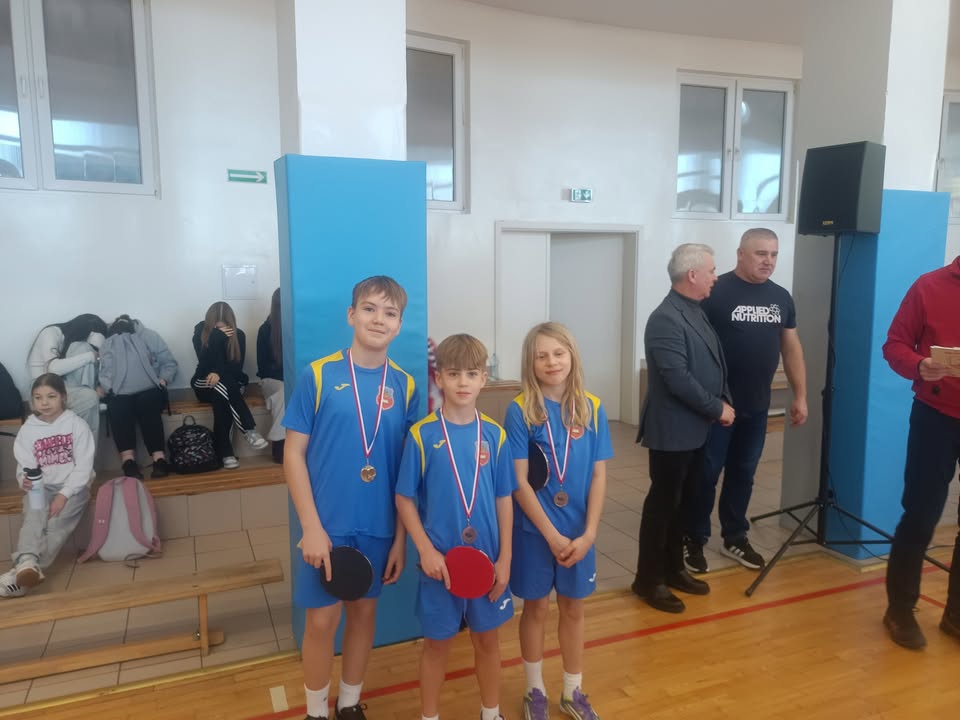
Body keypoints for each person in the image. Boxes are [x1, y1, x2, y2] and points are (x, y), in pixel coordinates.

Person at [283, 276, 419, 720]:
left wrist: (400, 539)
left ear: (399, 324)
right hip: (327, 525)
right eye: (369, 309)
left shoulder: (406, 386)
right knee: (322, 621)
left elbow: (406, 473)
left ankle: (348, 704)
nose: (379, 319)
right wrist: (311, 527)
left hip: (379, 526)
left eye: (390, 313)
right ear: (351, 315)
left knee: (364, 616)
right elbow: (293, 454)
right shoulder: (319, 375)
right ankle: (316, 712)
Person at [396, 334, 515, 720]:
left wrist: (505, 559)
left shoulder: (496, 435)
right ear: (439, 379)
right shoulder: (422, 435)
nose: (463, 382)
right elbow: (404, 498)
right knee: (436, 646)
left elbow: (504, 499)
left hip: (488, 562)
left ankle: (491, 713)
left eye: (472, 374)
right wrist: (425, 550)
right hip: (440, 566)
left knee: (488, 642)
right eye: (453, 373)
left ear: (484, 379)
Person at [683, 228, 808, 574]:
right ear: (740, 254)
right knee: (706, 474)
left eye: (774, 255)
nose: (768, 261)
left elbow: (791, 347)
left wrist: (800, 394)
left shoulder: (780, 297)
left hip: (756, 406)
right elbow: (690, 347)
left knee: (743, 473)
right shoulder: (715, 291)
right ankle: (693, 539)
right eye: (760, 254)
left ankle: (734, 536)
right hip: (715, 407)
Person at [506, 322, 612, 720]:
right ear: (530, 363)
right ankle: (534, 690)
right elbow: (519, 481)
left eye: (558, 353)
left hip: (578, 534)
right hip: (535, 534)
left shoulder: (593, 408)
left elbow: (599, 475)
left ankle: (572, 691)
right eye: (541, 355)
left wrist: (589, 534)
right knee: (535, 610)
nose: (551, 362)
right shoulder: (520, 410)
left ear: (572, 356)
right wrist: (550, 535)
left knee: (573, 609)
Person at [631, 243, 733, 614]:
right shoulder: (666, 318)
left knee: (684, 504)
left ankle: (673, 569)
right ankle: (648, 580)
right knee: (663, 506)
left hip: (697, 429)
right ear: (692, 275)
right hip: (673, 431)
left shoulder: (694, 310)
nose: (715, 277)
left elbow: (713, 364)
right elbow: (678, 379)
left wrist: (723, 399)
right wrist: (717, 407)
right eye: (711, 270)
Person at [881, 255, 960, 650]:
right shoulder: (929, 286)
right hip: (936, 417)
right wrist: (918, 364)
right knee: (920, 515)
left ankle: (956, 616)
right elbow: (894, 345)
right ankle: (899, 610)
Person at [0, 374, 94, 598]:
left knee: (57, 524)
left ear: (63, 397)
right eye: (38, 397)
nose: (45, 402)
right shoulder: (28, 429)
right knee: (34, 518)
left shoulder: (76, 425)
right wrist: (24, 479)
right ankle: (27, 563)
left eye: (51, 396)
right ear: (32, 401)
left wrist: (63, 495)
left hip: (74, 488)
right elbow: (25, 466)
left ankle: (22, 572)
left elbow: (84, 467)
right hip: (40, 487)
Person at [98, 315, 179, 479]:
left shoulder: (149, 336)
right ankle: (129, 460)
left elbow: (169, 363)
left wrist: (163, 380)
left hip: (150, 389)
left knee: (145, 404)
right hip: (123, 393)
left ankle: (158, 458)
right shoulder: (109, 342)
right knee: (119, 406)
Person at [191, 301, 268, 469]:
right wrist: (216, 338)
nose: (221, 329)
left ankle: (226, 453)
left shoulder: (238, 335)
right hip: (204, 382)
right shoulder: (200, 332)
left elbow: (235, 367)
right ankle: (249, 430)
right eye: (216, 327)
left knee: (222, 397)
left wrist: (218, 373)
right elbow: (203, 364)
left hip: (226, 384)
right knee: (224, 387)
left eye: (224, 327)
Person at [26, 313, 108, 438]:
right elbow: (53, 369)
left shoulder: (71, 342)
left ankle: (85, 448)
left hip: (62, 388)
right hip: (41, 392)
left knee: (90, 396)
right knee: (90, 397)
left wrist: (98, 384)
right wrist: (90, 356)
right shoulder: (51, 332)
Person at [258, 288, 286, 464]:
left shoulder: (298, 328)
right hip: (271, 380)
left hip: (293, 380)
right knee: (283, 393)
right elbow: (263, 368)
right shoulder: (265, 330)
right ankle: (279, 444)